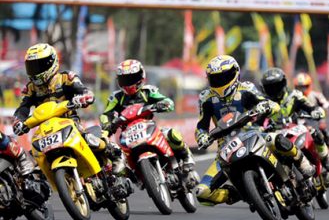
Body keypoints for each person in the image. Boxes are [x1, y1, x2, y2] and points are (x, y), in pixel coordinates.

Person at [194, 55, 313, 206]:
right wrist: (202, 136)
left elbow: (270, 104)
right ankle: (235, 194)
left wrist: (265, 106)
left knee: (276, 139)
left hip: (254, 133)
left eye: (224, 77)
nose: (220, 82)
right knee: (202, 193)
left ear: (235, 73)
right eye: (215, 78)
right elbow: (202, 125)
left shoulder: (247, 88)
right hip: (226, 148)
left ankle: (303, 163)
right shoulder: (206, 98)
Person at [12, 43, 126, 177]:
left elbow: (82, 90)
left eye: (39, 65)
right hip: (46, 129)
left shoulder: (66, 78)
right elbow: (23, 107)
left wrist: (84, 97)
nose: (35, 70)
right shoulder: (30, 88)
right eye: (31, 66)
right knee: (34, 158)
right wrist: (19, 121)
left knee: (87, 139)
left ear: (52, 62)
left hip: (70, 121)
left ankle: (114, 151)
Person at [99, 59, 198, 186]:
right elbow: (106, 114)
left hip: (147, 127)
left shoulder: (148, 91)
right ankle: (124, 182)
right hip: (126, 134)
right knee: (115, 154)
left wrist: (162, 104)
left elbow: (168, 102)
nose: (129, 83)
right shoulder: (116, 97)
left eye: (132, 78)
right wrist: (107, 125)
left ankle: (186, 157)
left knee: (171, 134)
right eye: (125, 79)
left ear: (141, 77)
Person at [262, 68, 329, 173]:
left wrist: (316, 111)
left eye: (277, 86)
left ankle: (326, 159)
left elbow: (310, 106)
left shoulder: (294, 95)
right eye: (270, 87)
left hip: (295, 127)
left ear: (283, 83)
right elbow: (255, 119)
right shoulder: (263, 102)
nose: (274, 89)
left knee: (315, 133)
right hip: (274, 134)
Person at [293, 72, 329, 146]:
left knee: (323, 129)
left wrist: (322, 116)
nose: (302, 90)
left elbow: (326, 105)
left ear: (309, 85)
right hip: (300, 120)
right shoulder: (293, 97)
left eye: (304, 87)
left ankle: (327, 146)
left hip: (315, 119)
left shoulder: (316, 95)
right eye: (299, 87)